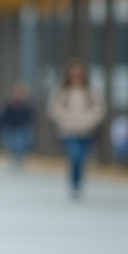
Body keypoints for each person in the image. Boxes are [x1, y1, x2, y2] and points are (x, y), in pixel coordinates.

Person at [47, 60, 106, 199]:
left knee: (82, 159)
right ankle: (74, 183)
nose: (76, 75)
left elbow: (99, 107)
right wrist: (66, 117)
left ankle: (79, 183)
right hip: (68, 130)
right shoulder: (62, 90)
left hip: (86, 130)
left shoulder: (90, 90)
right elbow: (54, 107)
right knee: (75, 156)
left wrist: (89, 119)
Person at [0, 82, 34, 170]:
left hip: (21, 127)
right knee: (11, 145)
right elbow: (4, 116)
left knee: (20, 144)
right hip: (10, 127)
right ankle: (13, 159)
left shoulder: (26, 105)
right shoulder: (8, 104)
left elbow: (30, 117)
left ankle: (19, 159)